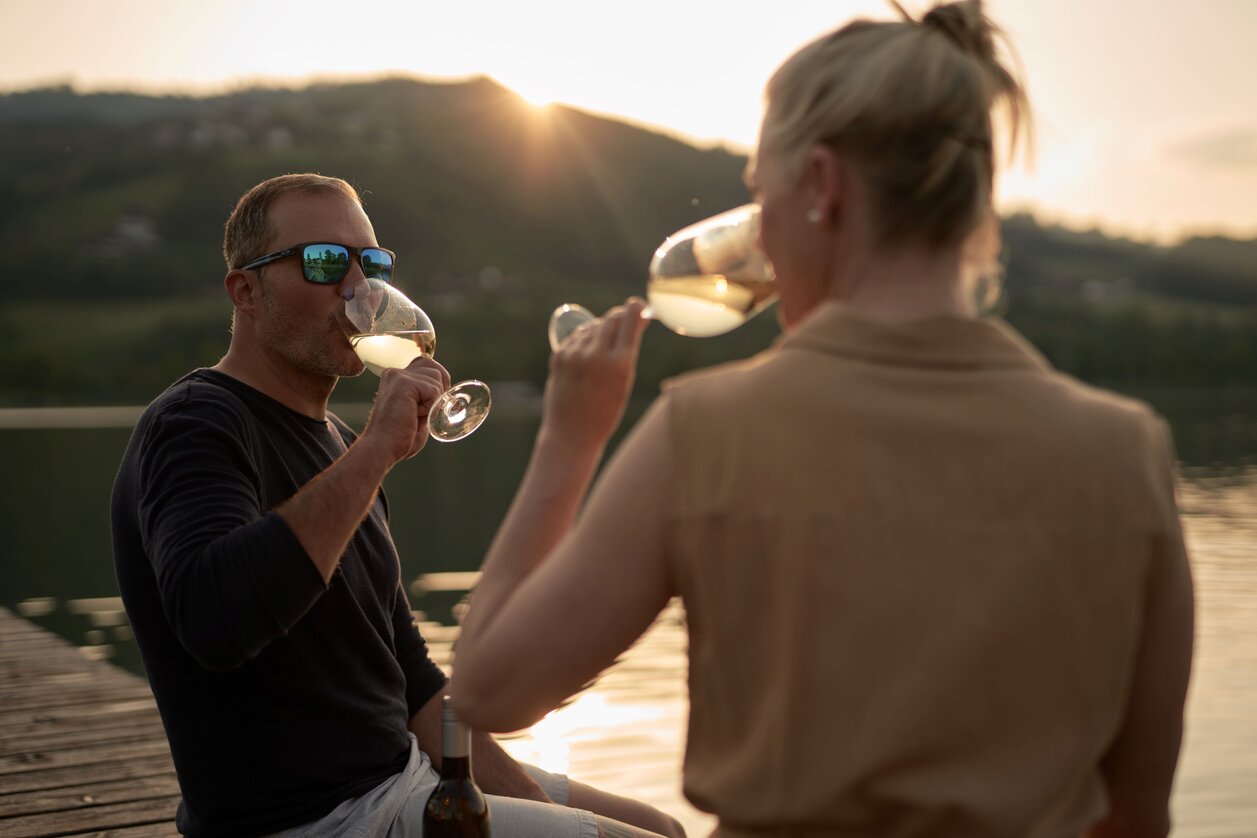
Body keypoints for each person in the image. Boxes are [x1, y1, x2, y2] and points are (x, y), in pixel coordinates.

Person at [447, 2, 1195, 837]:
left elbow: (488, 690)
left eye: (758, 194)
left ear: (821, 186)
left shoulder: (706, 432)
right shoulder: (1125, 450)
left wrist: (569, 438)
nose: (758, 236)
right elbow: (1137, 813)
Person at [111, 173, 686, 838]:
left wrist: (533, 799)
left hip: (404, 778)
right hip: (314, 819)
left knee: (661, 827)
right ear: (246, 291)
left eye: (373, 264)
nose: (358, 287)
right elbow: (215, 622)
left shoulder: (340, 443)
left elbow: (410, 677)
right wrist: (377, 450)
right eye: (324, 262)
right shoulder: (197, 422)